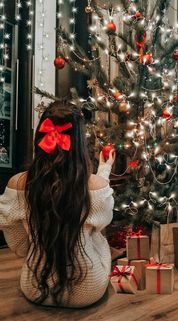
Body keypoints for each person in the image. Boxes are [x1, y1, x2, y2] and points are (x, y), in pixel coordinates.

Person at [0, 101, 115, 307]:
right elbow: (101, 222)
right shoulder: (97, 187)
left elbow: (17, 242)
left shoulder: (17, 184)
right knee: (96, 236)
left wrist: (42, 251)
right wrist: (105, 168)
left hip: (35, 287)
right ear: (79, 142)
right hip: (88, 291)